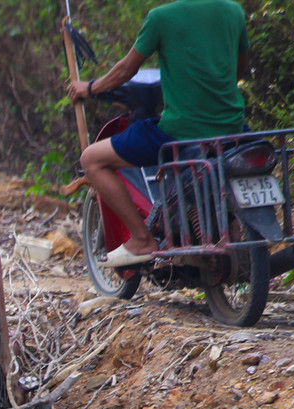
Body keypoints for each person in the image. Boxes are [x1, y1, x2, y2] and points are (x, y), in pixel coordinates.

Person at [67, 0, 250, 267]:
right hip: (234, 128)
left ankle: (142, 239)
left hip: (180, 131)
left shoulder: (161, 17)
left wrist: (91, 87)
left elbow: (125, 70)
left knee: (91, 159)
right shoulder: (233, 11)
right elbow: (239, 70)